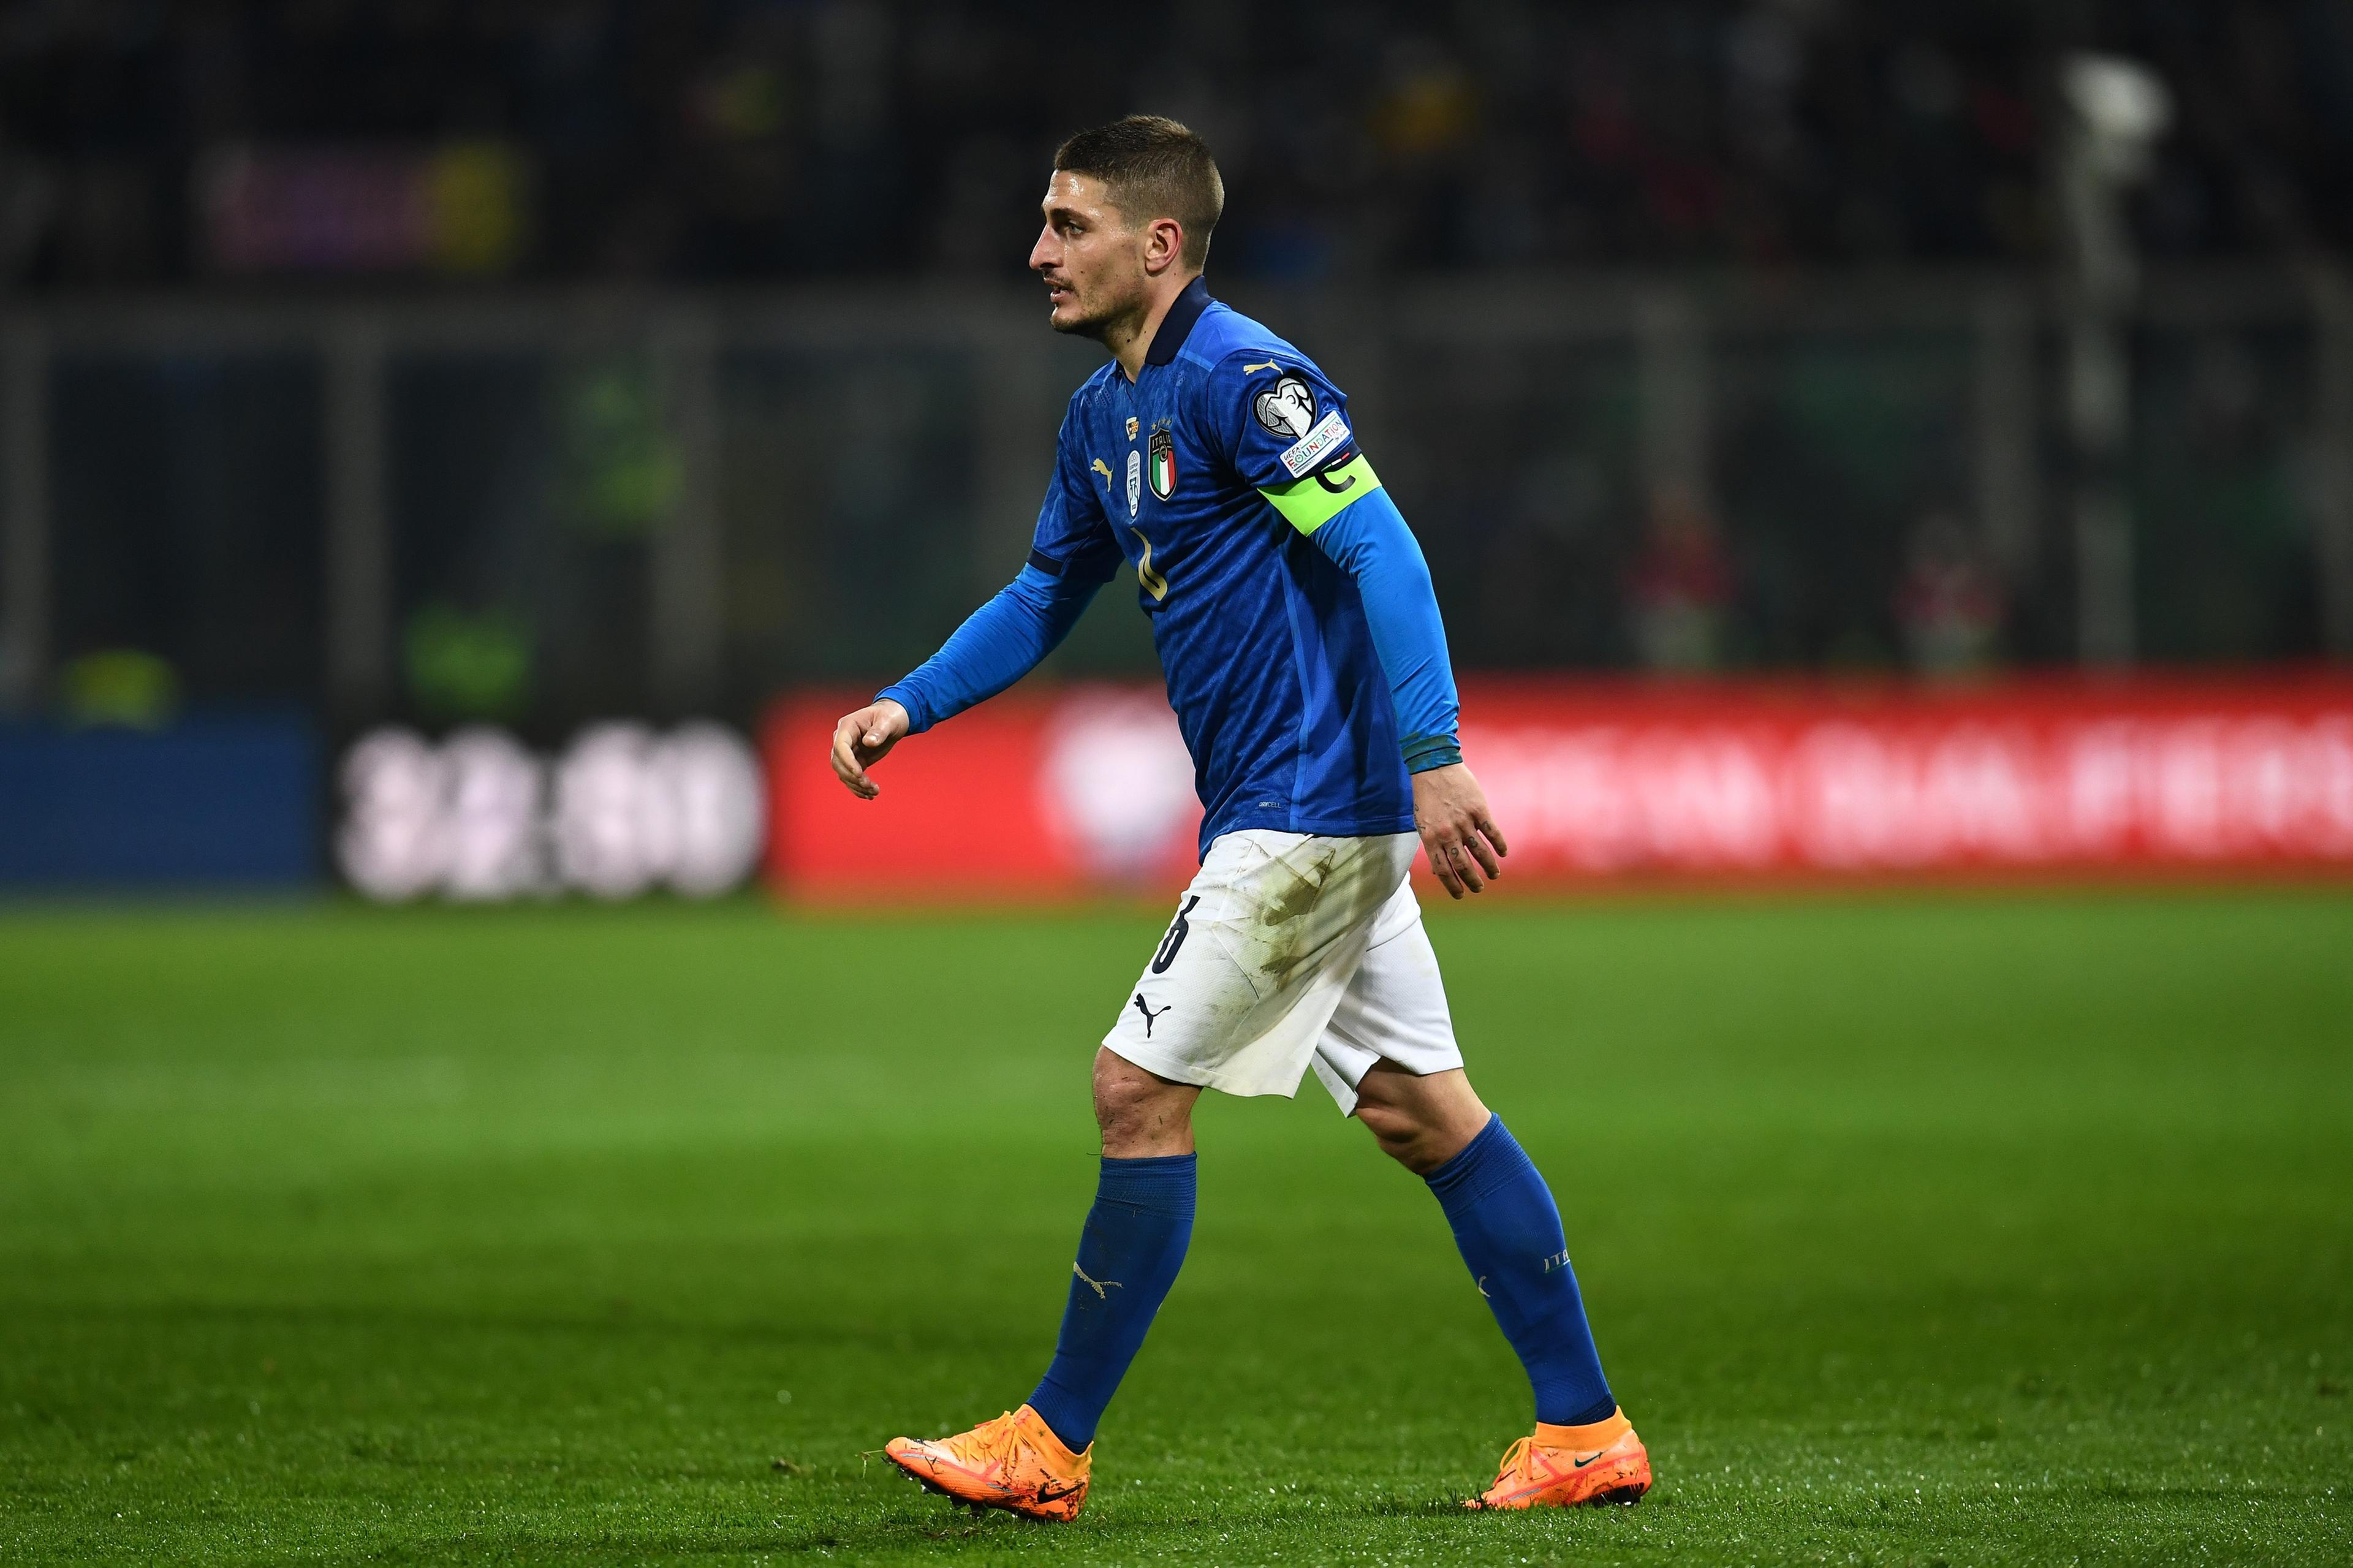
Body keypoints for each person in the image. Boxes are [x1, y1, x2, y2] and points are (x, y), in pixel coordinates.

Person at [828, 115, 1648, 1520]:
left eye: (1067, 225)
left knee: (1135, 1090)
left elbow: (1378, 541)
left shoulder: (1244, 381)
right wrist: (909, 701)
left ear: (1158, 245)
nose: (1037, 252)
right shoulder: (1104, 417)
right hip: (1288, 810)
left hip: (1309, 807)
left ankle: (1052, 1439)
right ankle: (1584, 1428)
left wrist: (1434, 754)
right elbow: (1041, 596)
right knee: (1421, 1111)